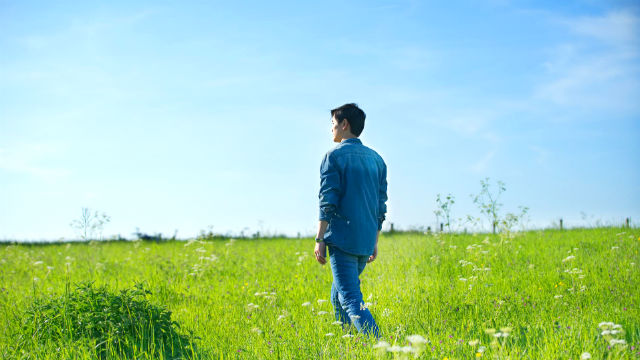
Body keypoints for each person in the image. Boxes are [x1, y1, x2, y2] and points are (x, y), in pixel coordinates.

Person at [314, 103, 388, 338]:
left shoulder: (332, 157)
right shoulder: (377, 160)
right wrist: (374, 241)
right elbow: (380, 206)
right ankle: (349, 344)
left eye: (334, 124)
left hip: (342, 239)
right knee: (338, 295)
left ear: (344, 124)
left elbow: (327, 201)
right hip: (365, 240)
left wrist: (319, 238)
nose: (332, 129)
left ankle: (379, 347)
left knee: (350, 298)